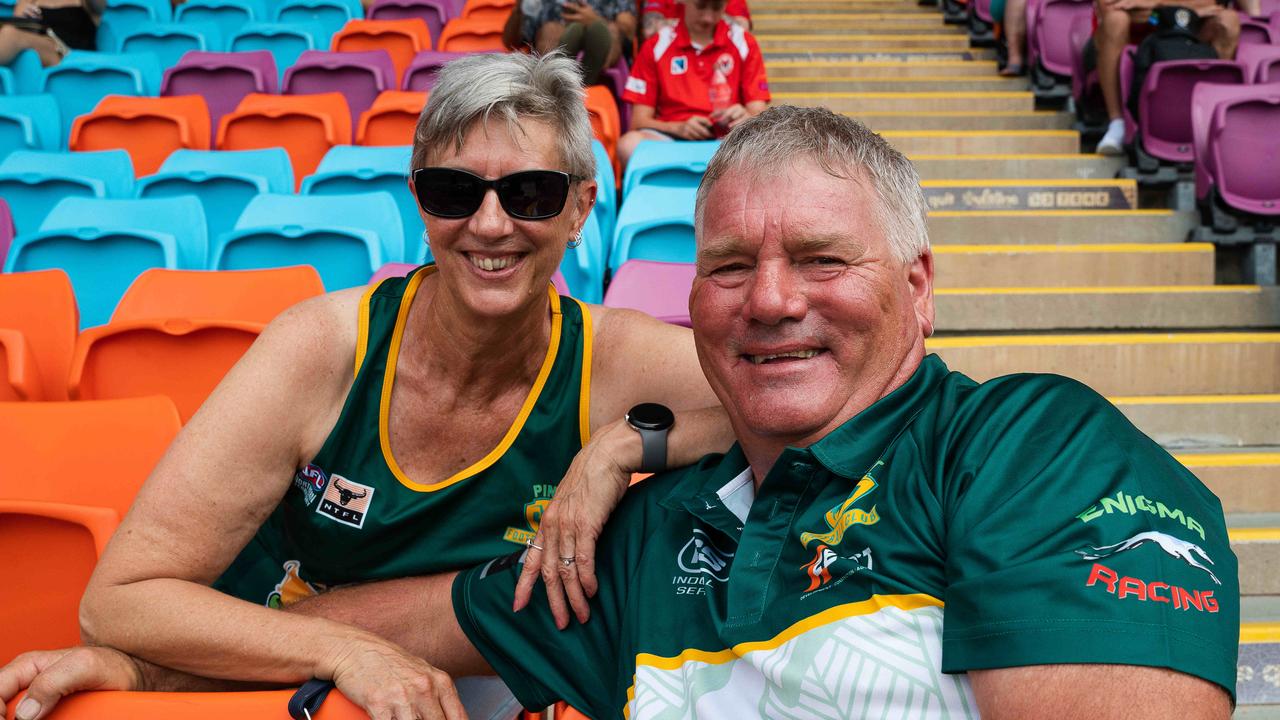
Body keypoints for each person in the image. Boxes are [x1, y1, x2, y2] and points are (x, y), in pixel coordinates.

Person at [1, 106, 1238, 720]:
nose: (768, 303)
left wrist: (617, 442)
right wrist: (135, 661)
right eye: (726, 268)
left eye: (820, 259)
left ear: (917, 290)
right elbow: (409, 622)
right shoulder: (645, 542)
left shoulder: (1026, 447)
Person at [0, 51, 737, 720]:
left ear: (579, 209)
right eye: (455, 191)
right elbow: (121, 599)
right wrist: (340, 652)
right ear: (419, 199)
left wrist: (623, 444)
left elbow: (827, 405)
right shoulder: (323, 347)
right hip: (275, 682)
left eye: (531, 194)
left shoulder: (614, 359)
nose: (489, 223)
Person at [617, 0, 770, 167]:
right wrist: (679, 128)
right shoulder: (656, 45)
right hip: (672, 141)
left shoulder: (744, 43)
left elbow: (759, 113)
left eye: (716, 8)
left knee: (768, 142)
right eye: (700, 6)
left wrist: (744, 116)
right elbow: (638, 122)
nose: (708, 18)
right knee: (628, 145)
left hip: (728, 141)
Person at [1093, 0, 1256, 154]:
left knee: (1228, 20)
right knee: (1115, 20)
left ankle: (1211, 120)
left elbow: (1210, 4)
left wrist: (1153, 3)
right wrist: (1178, 6)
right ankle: (1118, 123)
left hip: (1179, 28)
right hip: (1142, 28)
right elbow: (1110, 6)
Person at [502, 0, 635, 85]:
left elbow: (629, 31)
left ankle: (583, 82)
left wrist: (595, 20)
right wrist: (519, 8)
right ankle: (555, 82)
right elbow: (510, 42)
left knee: (608, 30)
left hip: (602, 66)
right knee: (551, 30)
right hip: (551, 50)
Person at [0, 0, 100, 67]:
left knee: (10, 35)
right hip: (42, 45)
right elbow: (18, 24)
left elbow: (99, 6)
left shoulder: (85, 2)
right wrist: (26, 17)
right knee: (8, 32)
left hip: (70, 53)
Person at [640, 0, 750, 40]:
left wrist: (711, 5)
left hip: (718, 60)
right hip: (669, 63)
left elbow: (743, 28)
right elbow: (649, 30)